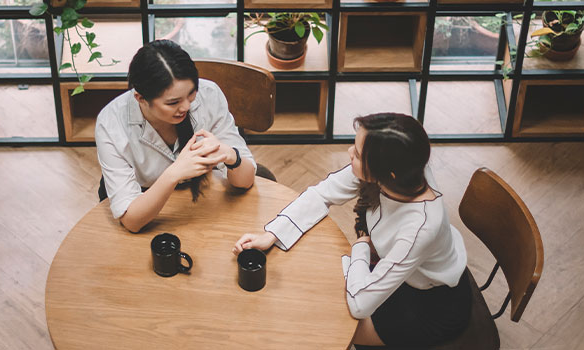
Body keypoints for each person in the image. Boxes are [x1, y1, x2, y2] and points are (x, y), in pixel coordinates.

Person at [232, 113, 471, 347]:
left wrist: (360, 248)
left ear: (389, 174)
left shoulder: (420, 227)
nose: (349, 152)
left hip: (426, 303)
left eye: (356, 154)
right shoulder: (400, 170)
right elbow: (322, 193)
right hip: (393, 267)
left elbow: (359, 303)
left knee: (321, 324)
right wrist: (271, 235)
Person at [96, 40, 256, 232]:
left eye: (191, 93)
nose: (187, 107)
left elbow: (245, 180)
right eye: (173, 102)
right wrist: (175, 172)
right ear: (140, 98)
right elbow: (132, 221)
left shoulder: (209, 95)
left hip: (205, 199)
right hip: (148, 202)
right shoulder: (111, 123)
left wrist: (231, 155)